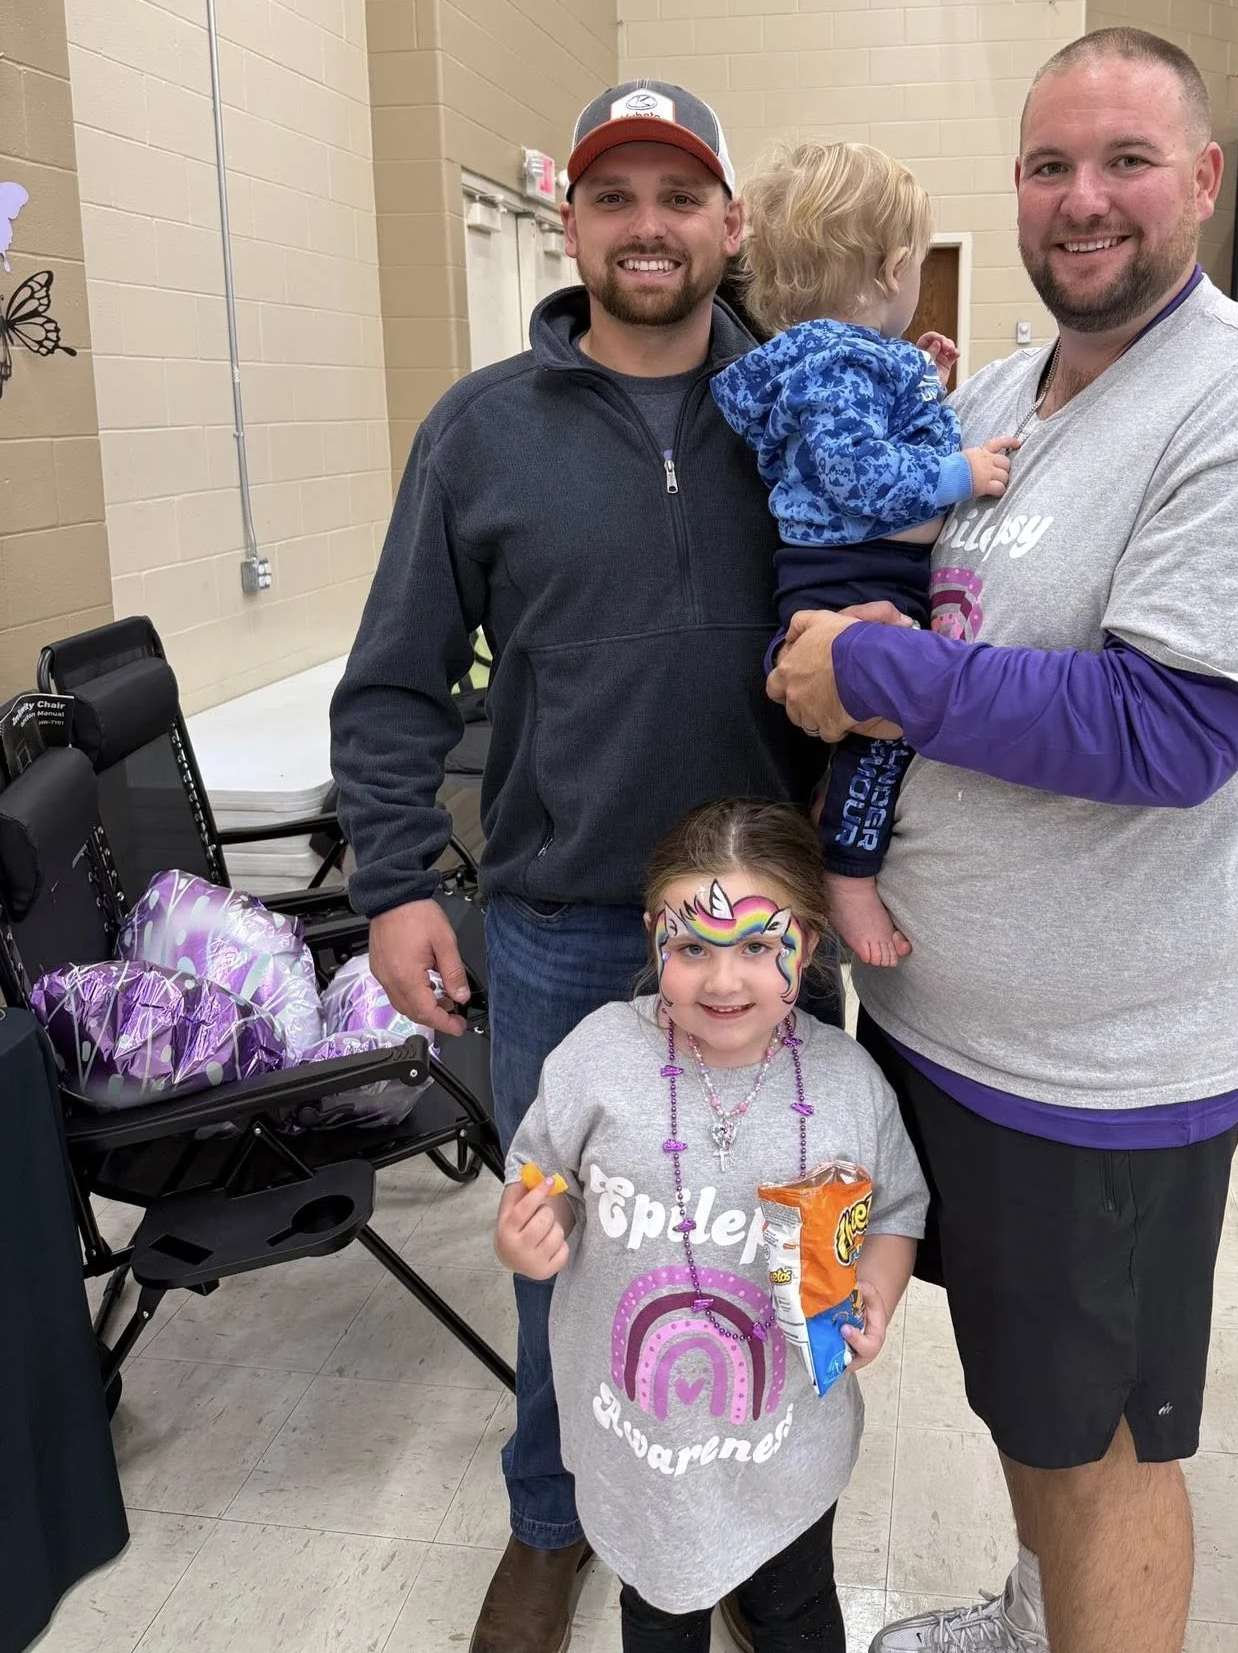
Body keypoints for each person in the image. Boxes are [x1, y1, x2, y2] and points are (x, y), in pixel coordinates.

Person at [766, 27, 1238, 1653]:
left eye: (1123, 161)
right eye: (1049, 165)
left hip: (1102, 1074)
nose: (1082, 198)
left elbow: (1166, 734)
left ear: (1200, 177)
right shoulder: (996, 397)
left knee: (1098, 1441)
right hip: (941, 1030)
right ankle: (1036, 1613)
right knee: (1023, 1405)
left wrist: (870, 669)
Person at [330, 81, 826, 1653]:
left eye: (682, 195)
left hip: (771, 936)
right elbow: (397, 681)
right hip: (555, 929)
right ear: (573, 228)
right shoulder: (480, 431)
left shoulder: (799, 407)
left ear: (729, 225)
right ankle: (554, 1520)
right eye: (616, 197)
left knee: (775, 1231)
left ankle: (759, 1515)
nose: (650, 227)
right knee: (570, 1251)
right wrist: (399, 877)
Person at [494, 798, 927, 1653]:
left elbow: (898, 1211)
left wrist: (874, 1289)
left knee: (796, 1609)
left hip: (789, 1441)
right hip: (635, 1442)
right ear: (655, 933)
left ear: (808, 941)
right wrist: (532, 1221)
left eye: (759, 948)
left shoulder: (847, 1083)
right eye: (693, 948)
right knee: (659, 1613)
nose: (723, 982)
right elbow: (541, 1170)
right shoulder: (598, 1057)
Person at [711, 142, 1017, 966]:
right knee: (882, 731)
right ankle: (849, 873)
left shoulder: (833, 363)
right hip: (854, 573)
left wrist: (919, 377)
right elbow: (863, 476)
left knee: (856, 727)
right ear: (893, 266)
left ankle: (829, 818)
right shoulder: (838, 365)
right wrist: (965, 470)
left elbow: (853, 438)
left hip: (843, 566)